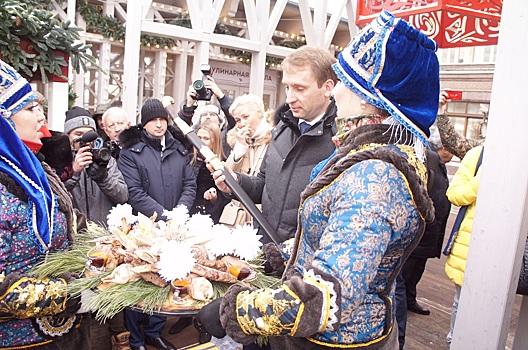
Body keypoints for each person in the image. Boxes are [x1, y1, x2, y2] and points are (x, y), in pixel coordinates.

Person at [197, 10, 439, 349]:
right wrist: (274, 256)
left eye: (347, 84)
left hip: (332, 341)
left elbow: (322, 297)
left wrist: (233, 312)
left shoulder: (375, 178)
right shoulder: (364, 155)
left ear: (373, 101)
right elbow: (328, 237)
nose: (336, 92)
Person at [0, 59, 90, 348]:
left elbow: (69, 225)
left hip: (66, 334)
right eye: (30, 109)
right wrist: (72, 293)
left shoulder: (34, 169)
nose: (42, 116)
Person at [213, 44, 338, 245]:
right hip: (265, 252)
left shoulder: (340, 141)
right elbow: (264, 185)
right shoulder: (282, 129)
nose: (289, 98)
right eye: (288, 87)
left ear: (327, 87)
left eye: (300, 88)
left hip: (305, 266)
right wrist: (235, 181)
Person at [118, 98, 197, 350]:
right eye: (154, 120)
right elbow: (133, 191)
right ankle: (136, 338)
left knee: (168, 275)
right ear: (144, 123)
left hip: (175, 225)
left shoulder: (178, 149)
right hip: (145, 227)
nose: (159, 124)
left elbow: (190, 184)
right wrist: (163, 214)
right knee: (140, 281)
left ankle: (154, 330)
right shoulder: (131, 152)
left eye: (163, 119)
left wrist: (180, 212)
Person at [395, 129, 453, 349]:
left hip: (432, 228)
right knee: (402, 278)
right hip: (422, 228)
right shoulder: (424, 157)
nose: (450, 155)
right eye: (449, 150)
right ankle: (400, 331)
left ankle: (411, 300)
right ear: (441, 148)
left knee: (416, 270)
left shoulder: (436, 161)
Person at [63, 106, 129, 227]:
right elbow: (55, 196)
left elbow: (122, 196)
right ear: (68, 137)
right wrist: (74, 171)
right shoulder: (60, 162)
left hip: (104, 234)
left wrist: (103, 178)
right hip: (74, 235)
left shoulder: (107, 160)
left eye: (89, 134)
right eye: (78, 134)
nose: (84, 139)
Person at [444, 145, 483, 343]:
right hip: (469, 242)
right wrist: (484, 176)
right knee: (462, 300)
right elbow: (455, 195)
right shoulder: (478, 155)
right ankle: (455, 339)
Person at [178, 76, 236, 157]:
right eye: (204, 115)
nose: (208, 117)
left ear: (220, 121)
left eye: (212, 115)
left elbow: (234, 117)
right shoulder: (192, 136)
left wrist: (220, 95)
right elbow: (178, 132)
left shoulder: (228, 135)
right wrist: (188, 105)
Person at [189, 121, 229, 223]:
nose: (200, 142)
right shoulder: (189, 160)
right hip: (189, 215)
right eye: (198, 138)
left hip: (212, 219)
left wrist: (214, 197)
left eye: (206, 138)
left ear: (215, 141)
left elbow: (227, 197)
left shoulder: (223, 163)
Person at [225, 94, 272, 176]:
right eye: (238, 120)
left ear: (259, 113)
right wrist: (239, 148)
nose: (242, 123)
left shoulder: (275, 138)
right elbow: (228, 177)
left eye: (246, 117)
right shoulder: (241, 141)